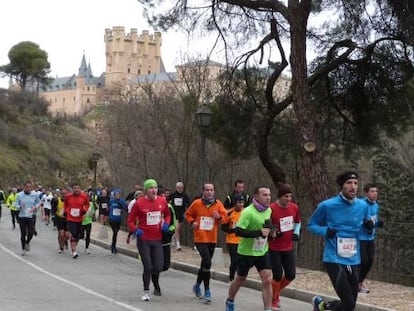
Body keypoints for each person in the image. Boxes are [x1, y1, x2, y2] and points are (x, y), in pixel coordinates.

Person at [308, 171, 372, 311]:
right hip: (333, 257)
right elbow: (311, 225)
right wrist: (326, 231)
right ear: (342, 186)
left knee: (350, 305)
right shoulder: (327, 205)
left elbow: (366, 226)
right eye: (349, 183)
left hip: (353, 258)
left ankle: (322, 306)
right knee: (348, 303)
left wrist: (369, 227)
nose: (353, 186)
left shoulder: (363, 206)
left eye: (355, 183)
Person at [225, 185, 273, 311]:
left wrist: (272, 233)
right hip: (246, 252)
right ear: (256, 196)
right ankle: (230, 300)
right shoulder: (248, 212)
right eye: (264, 195)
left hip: (262, 251)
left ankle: (268, 308)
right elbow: (238, 232)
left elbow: (266, 228)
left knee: (267, 279)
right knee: (241, 278)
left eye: (269, 195)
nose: (268, 197)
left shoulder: (269, 210)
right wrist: (259, 233)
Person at [127, 179, 171, 302]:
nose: (154, 190)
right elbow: (130, 220)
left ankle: (153, 281)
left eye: (155, 188)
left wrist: (166, 224)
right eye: (151, 188)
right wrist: (136, 230)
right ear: (146, 190)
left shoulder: (162, 201)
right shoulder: (139, 203)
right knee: (148, 266)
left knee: (158, 267)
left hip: (157, 239)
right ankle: (146, 291)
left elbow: (167, 215)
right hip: (144, 240)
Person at [185, 182, 228, 304]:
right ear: (203, 191)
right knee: (208, 262)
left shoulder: (218, 204)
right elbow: (187, 214)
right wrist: (192, 222)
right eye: (207, 190)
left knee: (205, 264)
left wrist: (218, 217)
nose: (209, 192)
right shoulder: (197, 203)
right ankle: (207, 290)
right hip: (200, 238)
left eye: (211, 190)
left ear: (214, 191)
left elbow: (226, 219)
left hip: (212, 239)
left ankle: (197, 285)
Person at [269, 184, 301, 310]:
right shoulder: (271, 208)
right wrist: (274, 233)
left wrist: (296, 233)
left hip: (288, 247)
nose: (288, 199)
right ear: (279, 197)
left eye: (290, 196)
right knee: (277, 275)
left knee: (290, 275)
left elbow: (298, 222)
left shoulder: (294, 207)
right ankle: (273, 299)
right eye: (286, 196)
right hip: (274, 247)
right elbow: (266, 225)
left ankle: (275, 292)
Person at [358, 183, 384, 294]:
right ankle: (354, 283)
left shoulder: (376, 206)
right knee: (363, 261)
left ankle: (359, 283)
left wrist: (378, 224)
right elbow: (356, 219)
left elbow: (373, 222)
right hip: (360, 237)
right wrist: (364, 222)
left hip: (370, 238)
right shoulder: (361, 204)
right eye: (372, 191)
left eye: (376, 191)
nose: (375, 194)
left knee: (370, 262)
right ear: (366, 193)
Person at [151, 188, 177, 296]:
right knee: (157, 266)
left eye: (163, 196)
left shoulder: (169, 207)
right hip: (154, 240)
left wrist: (168, 230)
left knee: (165, 265)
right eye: (159, 195)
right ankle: (156, 286)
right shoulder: (150, 206)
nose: (162, 198)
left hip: (165, 240)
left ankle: (153, 270)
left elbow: (173, 224)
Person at [221, 194, 245, 281]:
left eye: (242, 202)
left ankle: (239, 277)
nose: (241, 205)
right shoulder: (229, 212)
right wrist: (233, 230)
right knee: (234, 260)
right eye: (239, 202)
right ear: (235, 203)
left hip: (242, 240)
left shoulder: (246, 212)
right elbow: (223, 227)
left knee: (241, 260)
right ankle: (231, 277)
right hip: (231, 240)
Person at [14, 181, 41, 256]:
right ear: (24, 187)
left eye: (30, 187)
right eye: (27, 187)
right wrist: (20, 206)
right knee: (23, 233)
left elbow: (38, 202)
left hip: (31, 216)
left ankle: (27, 242)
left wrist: (35, 207)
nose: (28, 188)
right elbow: (15, 204)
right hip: (22, 216)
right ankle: (23, 249)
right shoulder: (19, 195)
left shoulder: (34, 194)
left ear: (31, 187)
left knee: (31, 233)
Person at [64, 183, 90, 258]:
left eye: (77, 188)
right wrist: (66, 211)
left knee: (79, 235)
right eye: (74, 188)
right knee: (74, 233)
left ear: (80, 189)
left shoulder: (83, 196)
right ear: (72, 189)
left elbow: (87, 204)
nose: (76, 190)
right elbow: (65, 204)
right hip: (70, 218)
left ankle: (74, 246)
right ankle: (74, 251)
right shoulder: (68, 196)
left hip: (79, 218)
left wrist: (84, 210)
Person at [169, 181, 190, 251]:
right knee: (177, 228)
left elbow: (188, 203)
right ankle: (178, 244)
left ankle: (173, 237)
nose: (180, 189)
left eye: (181, 188)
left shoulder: (185, 195)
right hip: (174, 213)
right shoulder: (173, 194)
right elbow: (167, 201)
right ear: (176, 188)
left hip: (181, 213)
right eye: (178, 188)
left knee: (178, 229)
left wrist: (186, 208)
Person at [108, 189, 128, 253]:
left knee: (116, 232)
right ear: (114, 195)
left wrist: (124, 204)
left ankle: (113, 245)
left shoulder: (122, 201)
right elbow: (107, 207)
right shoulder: (111, 201)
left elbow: (126, 208)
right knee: (115, 232)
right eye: (116, 195)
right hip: (111, 219)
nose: (117, 196)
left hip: (118, 220)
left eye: (118, 194)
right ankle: (113, 247)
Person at [52, 188, 70, 253]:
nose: (64, 195)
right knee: (61, 234)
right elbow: (53, 209)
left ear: (67, 194)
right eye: (62, 193)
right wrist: (53, 215)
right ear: (60, 194)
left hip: (67, 219)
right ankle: (61, 247)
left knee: (67, 235)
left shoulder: (69, 201)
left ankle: (65, 241)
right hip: (59, 218)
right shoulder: (57, 200)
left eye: (65, 193)